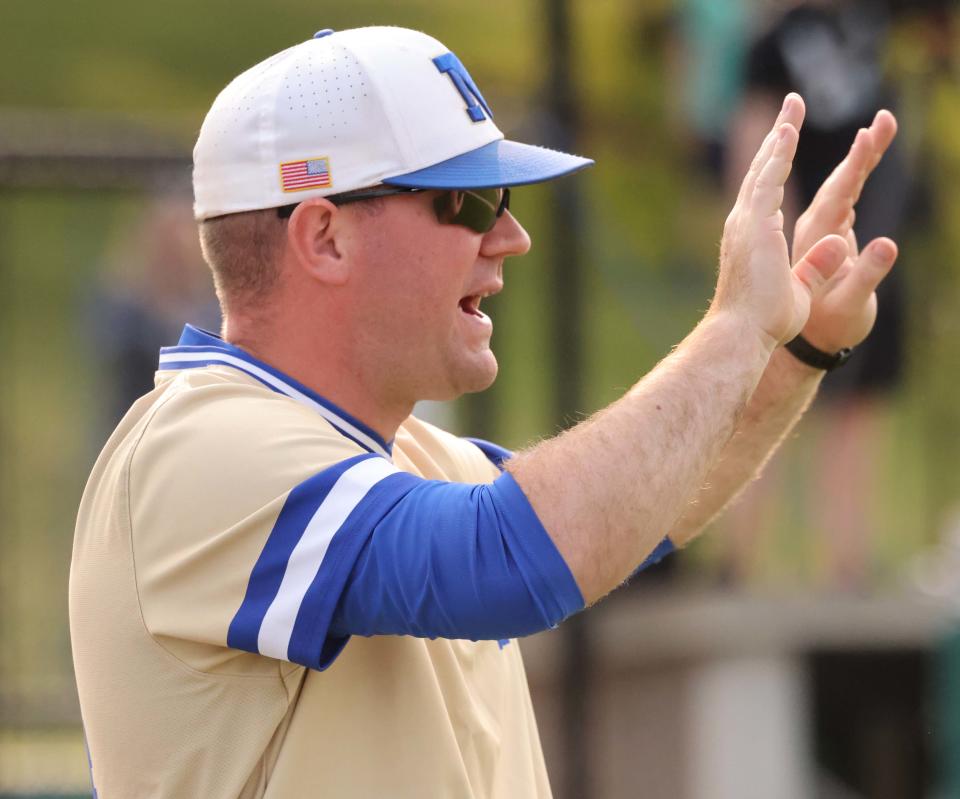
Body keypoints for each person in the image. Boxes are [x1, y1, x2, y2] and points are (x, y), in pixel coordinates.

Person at [69, 26, 899, 798]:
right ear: (323, 237)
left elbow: (649, 503)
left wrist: (790, 348)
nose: (510, 236)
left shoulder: (395, 456)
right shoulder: (197, 445)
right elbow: (507, 556)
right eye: (468, 201)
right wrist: (733, 329)